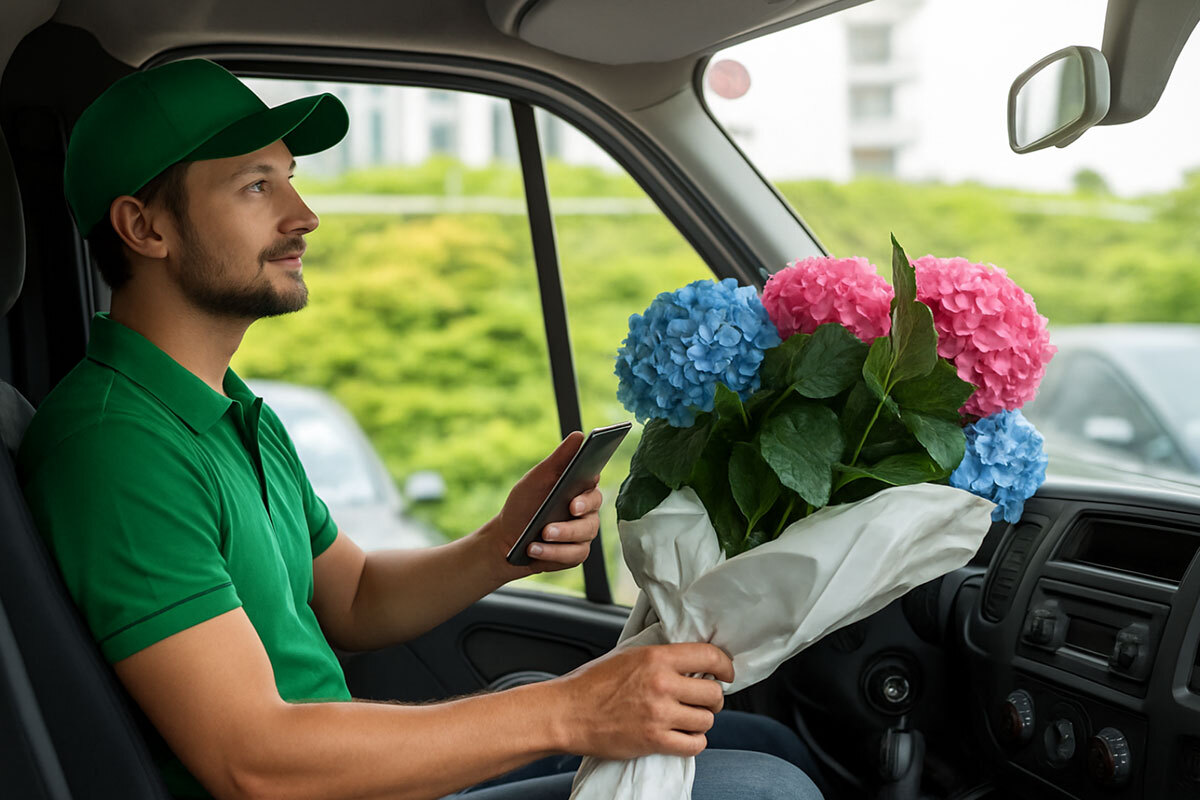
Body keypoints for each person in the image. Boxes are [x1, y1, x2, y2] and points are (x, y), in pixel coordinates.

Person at [17, 58, 826, 800]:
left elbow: (355, 598)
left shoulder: (229, 410)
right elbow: (253, 759)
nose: (306, 215)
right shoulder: (116, 447)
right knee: (760, 791)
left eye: (291, 179)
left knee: (750, 741)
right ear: (144, 228)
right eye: (256, 187)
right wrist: (571, 712)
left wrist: (500, 544)